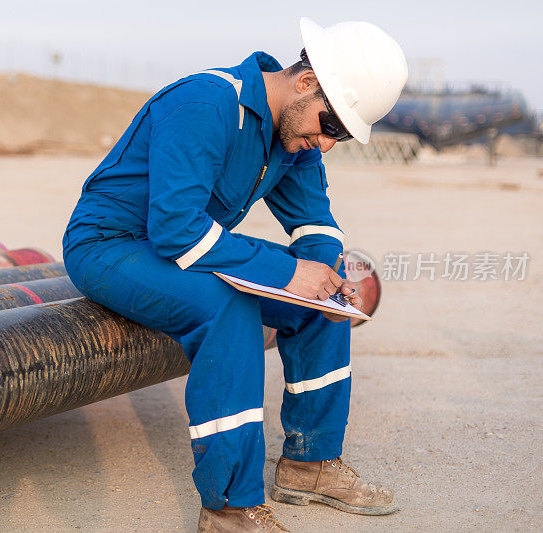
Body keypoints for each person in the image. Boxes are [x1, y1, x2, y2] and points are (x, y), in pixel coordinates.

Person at [62, 17, 407, 532]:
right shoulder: (205, 104)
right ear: (307, 83)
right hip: (112, 247)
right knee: (230, 308)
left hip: (182, 245)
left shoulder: (296, 133)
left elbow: (317, 224)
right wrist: (289, 271)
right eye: (332, 125)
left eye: (342, 137)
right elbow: (177, 228)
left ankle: (309, 465)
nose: (329, 144)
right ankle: (230, 508)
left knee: (323, 301)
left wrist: (323, 275)